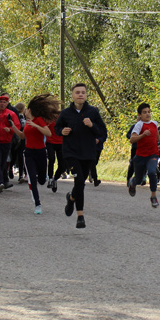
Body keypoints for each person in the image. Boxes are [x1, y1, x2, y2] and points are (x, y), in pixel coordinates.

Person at [54, 83, 107, 229]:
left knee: (80, 183)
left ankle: (71, 198)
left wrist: (92, 126)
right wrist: (61, 131)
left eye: (83, 92)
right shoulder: (65, 113)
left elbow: (102, 132)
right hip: (71, 153)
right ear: (72, 95)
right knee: (79, 182)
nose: (80, 95)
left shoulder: (93, 112)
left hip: (88, 153)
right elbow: (57, 128)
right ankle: (80, 216)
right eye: (77, 92)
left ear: (86, 95)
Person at [22, 94, 59, 215]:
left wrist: (36, 125)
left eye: (26, 109)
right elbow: (23, 136)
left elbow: (48, 133)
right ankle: (37, 204)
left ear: (29, 110)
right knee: (32, 178)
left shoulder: (38, 120)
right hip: (29, 153)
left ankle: (44, 177)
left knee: (42, 180)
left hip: (41, 152)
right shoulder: (27, 122)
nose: (25, 111)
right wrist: (13, 127)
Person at [128, 102, 160, 209]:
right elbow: (132, 139)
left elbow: (157, 136)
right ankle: (132, 184)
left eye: (148, 112)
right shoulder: (139, 125)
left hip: (152, 154)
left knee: (152, 172)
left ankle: (153, 197)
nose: (147, 114)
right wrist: (143, 135)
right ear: (139, 115)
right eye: (144, 112)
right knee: (138, 180)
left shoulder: (154, 124)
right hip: (140, 156)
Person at [45, 120, 65, 192]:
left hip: (61, 142)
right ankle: (50, 178)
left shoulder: (64, 117)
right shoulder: (48, 118)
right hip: (50, 142)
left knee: (62, 164)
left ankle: (55, 179)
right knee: (51, 159)